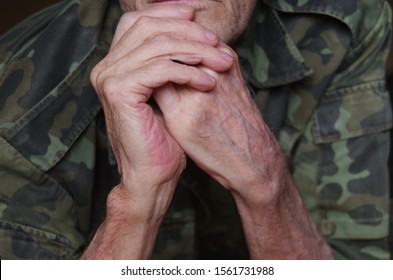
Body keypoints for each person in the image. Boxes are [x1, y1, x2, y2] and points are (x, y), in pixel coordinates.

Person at [0, 0, 391, 260]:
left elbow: (359, 259)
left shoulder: (341, 25)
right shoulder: (13, 96)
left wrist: (267, 181)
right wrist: (135, 206)